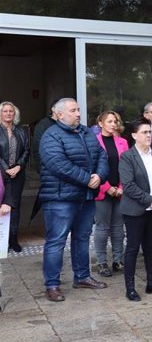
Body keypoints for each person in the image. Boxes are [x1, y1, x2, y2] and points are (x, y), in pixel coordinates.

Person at [40, 98, 109, 302]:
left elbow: (101, 156)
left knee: (82, 238)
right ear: (59, 114)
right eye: (73, 110)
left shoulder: (87, 132)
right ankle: (52, 285)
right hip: (60, 199)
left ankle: (82, 277)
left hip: (85, 197)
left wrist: (99, 176)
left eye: (78, 109)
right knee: (56, 241)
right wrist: (88, 179)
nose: (78, 113)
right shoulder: (50, 136)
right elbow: (58, 165)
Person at [119, 118, 152, 301]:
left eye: (149, 132)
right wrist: (150, 200)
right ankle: (130, 288)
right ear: (134, 135)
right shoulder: (127, 156)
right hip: (135, 210)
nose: (148, 135)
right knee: (133, 248)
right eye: (144, 132)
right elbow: (128, 185)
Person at [93, 111, 128, 277]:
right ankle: (101, 262)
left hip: (120, 191)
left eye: (115, 121)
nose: (113, 124)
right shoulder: (94, 142)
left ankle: (118, 260)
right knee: (102, 228)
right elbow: (93, 169)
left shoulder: (122, 142)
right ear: (100, 123)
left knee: (118, 228)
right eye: (109, 121)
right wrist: (107, 188)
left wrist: (120, 187)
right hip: (102, 190)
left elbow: (126, 166)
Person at [0, 101, 29, 252]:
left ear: (14, 114)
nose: (8, 114)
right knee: (2, 206)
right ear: (0, 113)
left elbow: (26, 151)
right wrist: (6, 168)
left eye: (11, 111)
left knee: (14, 207)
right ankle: (1, 240)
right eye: (5, 111)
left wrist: (18, 166)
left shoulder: (21, 131)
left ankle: (13, 240)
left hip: (18, 174)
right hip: (1, 174)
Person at [31, 98, 59, 174]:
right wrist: (41, 169)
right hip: (48, 169)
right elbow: (37, 147)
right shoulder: (42, 125)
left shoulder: (67, 124)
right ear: (53, 109)